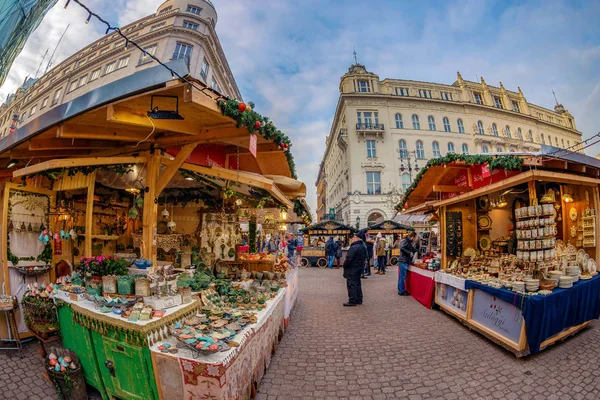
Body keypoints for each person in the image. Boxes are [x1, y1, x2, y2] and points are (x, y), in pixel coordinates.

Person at [343, 231, 368, 306]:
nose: (352, 238)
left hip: (352, 268)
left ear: (357, 238)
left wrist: (345, 265)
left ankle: (353, 300)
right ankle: (359, 299)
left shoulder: (354, 247)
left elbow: (349, 259)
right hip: (359, 268)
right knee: (357, 283)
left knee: (352, 284)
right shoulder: (363, 247)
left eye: (354, 237)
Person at [398, 231, 417, 296]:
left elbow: (412, 249)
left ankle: (401, 290)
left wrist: (416, 251)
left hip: (404, 261)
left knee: (401, 277)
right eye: (415, 237)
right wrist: (409, 253)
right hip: (403, 261)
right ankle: (401, 291)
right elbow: (402, 248)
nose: (415, 239)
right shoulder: (406, 241)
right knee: (402, 277)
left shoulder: (408, 241)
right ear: (413, 237)